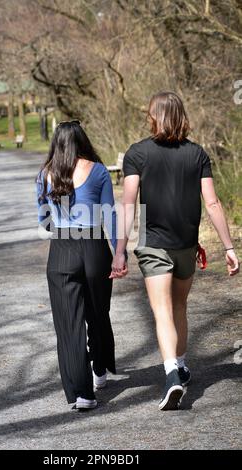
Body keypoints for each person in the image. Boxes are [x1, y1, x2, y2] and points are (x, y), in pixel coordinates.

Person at [110, 91, 240, 411]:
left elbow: (128, 204)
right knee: (179, 306)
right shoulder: (197, 153)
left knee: (163, 311)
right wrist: (229, 246)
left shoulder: (137, 153)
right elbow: (211, 202)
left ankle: (172, 375)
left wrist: (120, 250)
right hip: (186, 245)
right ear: (181, 115)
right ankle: (180, 364)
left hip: (155, 245)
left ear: (153, 116)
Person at [36, 120, 119, 411]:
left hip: (61, 250)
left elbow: (44, 222)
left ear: (56, 142)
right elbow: (110, 216)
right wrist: (119, 253)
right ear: (83, 139)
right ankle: (99, 368)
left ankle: (82, 395)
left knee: (68, 325)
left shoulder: (45, 173)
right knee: (98, 313)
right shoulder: (98, 171)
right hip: (94, 246)